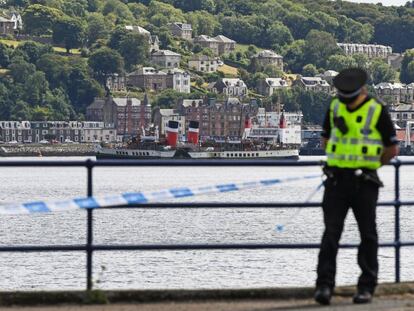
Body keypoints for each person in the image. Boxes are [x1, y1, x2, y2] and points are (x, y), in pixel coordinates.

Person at [314, 68, 399, 305]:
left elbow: (392, 149)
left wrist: (370, 166)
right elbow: (326, 139)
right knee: (331, 235)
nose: (346, 102)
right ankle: (324, 287)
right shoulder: (335, 106)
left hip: (364, 182)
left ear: (362, 90)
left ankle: (366, 287)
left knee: (367, 235)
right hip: (337, 181)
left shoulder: (377, 109)